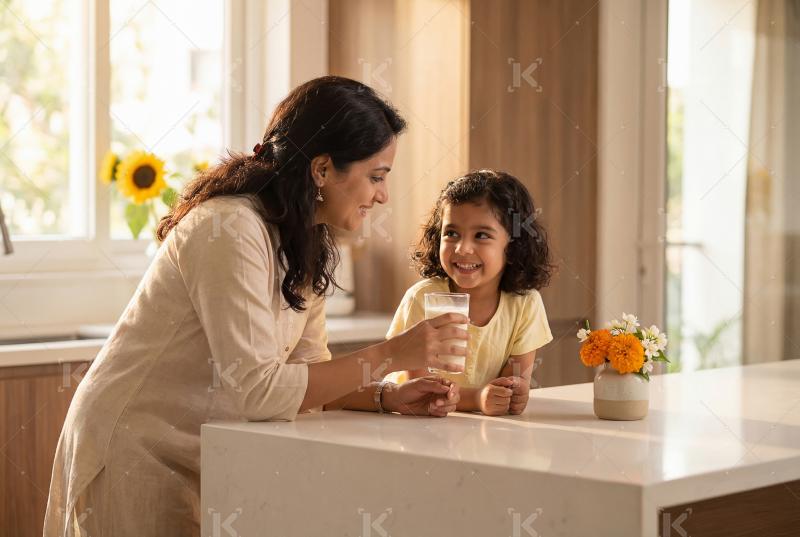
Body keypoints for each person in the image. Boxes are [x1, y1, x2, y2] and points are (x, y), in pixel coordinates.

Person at [44, 76, 468, 537]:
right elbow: (257, 390)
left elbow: (308, 372)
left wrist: (388, 396)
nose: (383, 195)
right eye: (376, 176)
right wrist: (393, 353)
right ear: (322, 169)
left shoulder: (307, 238)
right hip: (135, 448)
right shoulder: (229, 227)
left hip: (206, 451)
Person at [386, 170, 554, 416]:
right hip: (415, 426)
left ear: (514, 243)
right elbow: (421, 392)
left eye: (482, 235)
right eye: (451, 233)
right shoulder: (422, 298)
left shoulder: (525, 304)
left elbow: (512, 386)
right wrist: (478, 399)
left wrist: (515, 394)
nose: (462, 248)